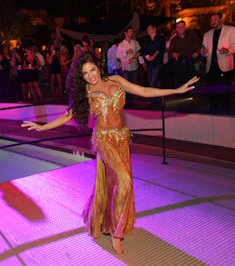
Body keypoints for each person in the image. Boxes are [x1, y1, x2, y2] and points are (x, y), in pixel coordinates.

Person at [21, 52, 199, 254]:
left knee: (113, 182)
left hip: (122, 138)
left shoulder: (116, 80)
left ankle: (104, 221)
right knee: (124, 179)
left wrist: (175, 90)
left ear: (98, 67)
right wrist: (43, 128)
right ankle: (116, 232)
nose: (90, 76)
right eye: (85, 73)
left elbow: (143, 90)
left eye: (92, 70)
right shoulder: (86, 93)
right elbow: (66, 116)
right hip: (103, 140)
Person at [201, 13, 235, 84]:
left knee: (225, 91)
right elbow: (203, 48)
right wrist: (203, 52)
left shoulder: (230, 30)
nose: (213, 22)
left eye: (215, 19)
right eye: (211, 20)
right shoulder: (207, 34)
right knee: (211, 91)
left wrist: (228, 50)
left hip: (225, 66)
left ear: (221, 20)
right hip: (211, 67)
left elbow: (234, 45)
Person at [169, 20, 201, 87]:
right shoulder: (174, 40)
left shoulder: (191, 35)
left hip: (189, 61)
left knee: (190, 81)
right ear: (176, 29)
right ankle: (181, 95)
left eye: (182, 26)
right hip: (179, 63)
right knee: (180, 82)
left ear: (185, 27)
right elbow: (170, 52)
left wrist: (196, 52)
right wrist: (173, 54)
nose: (181, 28)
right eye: (178, 27)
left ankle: (191, 95)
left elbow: (198, 44)